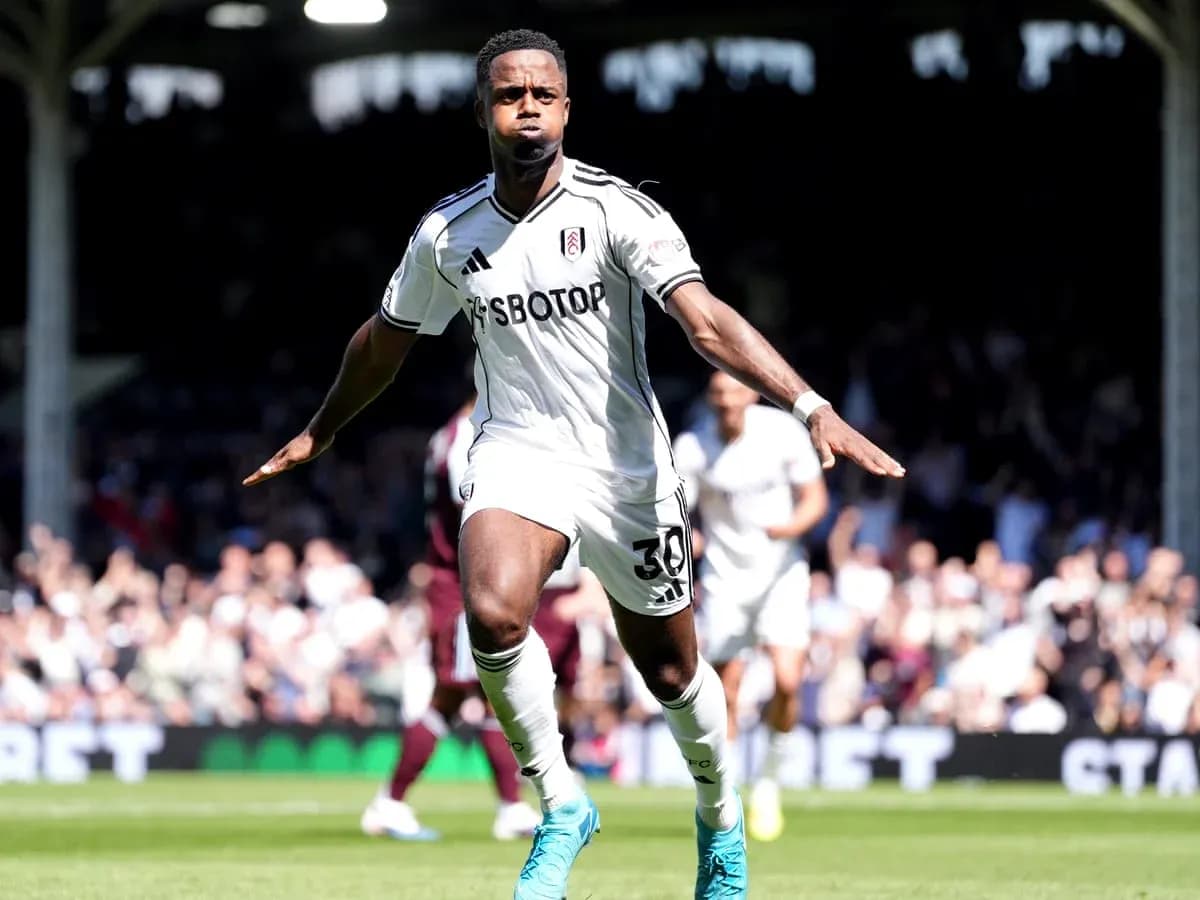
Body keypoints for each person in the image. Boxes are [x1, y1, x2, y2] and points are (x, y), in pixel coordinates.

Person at [245, 28, 904, 900]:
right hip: (517, 452)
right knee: (490, 612)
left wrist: (810, 405)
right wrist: (321, 429)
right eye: (510, 95)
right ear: (482, 111)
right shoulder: (448, 231)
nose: (528, 109)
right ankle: (560, 803)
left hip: (627, 469)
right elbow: (384, 341)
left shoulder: (615, 209)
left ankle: (719, 818)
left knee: (671, 673)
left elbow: (704, 323)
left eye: (543, 96)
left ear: (565, 109)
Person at [360, 391, 542, 842]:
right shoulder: (467, 440)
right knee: (462, 695)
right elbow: (479, 514)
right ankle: (392, 803)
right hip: (464, 589)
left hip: (467, 587)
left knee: (483, 696)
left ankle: (509, 807)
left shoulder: (452, 436)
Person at [674, 371, 829, 843]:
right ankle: (727, 793)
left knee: (787, 680)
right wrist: (689, 538)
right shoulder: (693, 445)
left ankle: (769, 782)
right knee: (726, 694)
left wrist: (788, 528)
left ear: (750, 393)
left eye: (733, 390)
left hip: (781, 575)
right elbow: (677, 507)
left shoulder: (782, 432)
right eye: (718, 392)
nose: (726, 400)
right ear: (710, 396)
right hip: (724, 579)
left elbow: (815, 500)